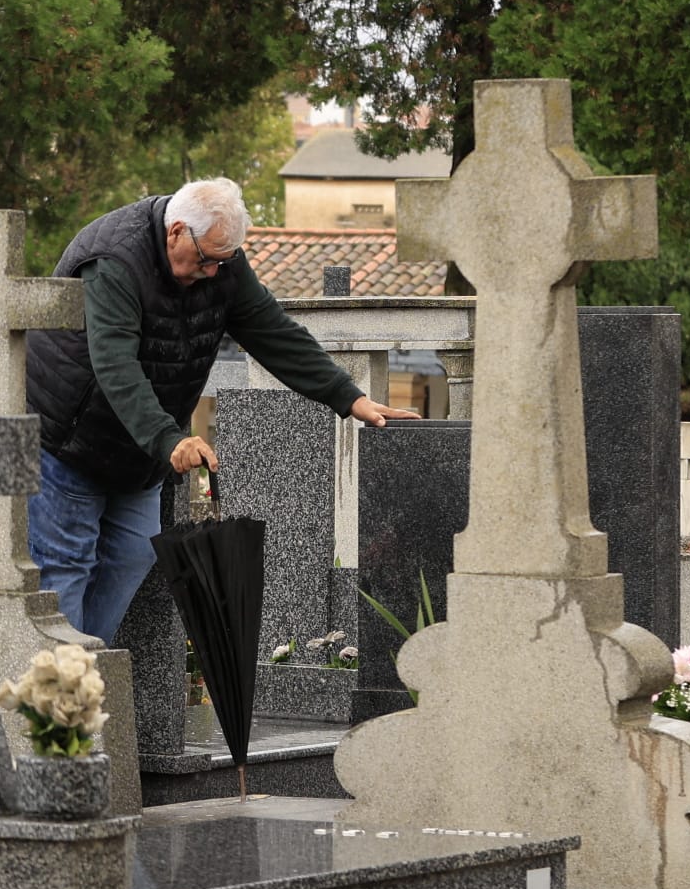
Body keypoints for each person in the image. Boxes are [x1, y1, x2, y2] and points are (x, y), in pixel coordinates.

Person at [25, 178, 417, 642]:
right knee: (67, 564)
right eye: (207, 259)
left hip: (139, 450)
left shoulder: (221, 260)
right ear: (175, 233)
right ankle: (56, 693)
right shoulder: (113, 260)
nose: (213, 272)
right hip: (69, 439)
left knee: (133, 552)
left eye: (223, 260)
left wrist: (349, 398)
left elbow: (271, 331)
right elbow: (115, 366)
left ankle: (84, 677)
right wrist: (170, 440)